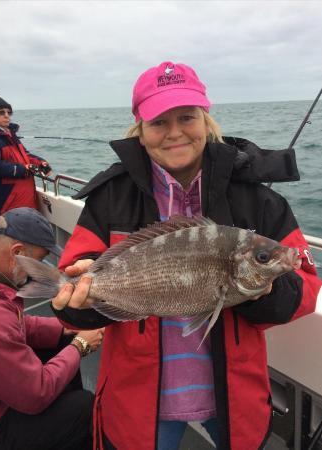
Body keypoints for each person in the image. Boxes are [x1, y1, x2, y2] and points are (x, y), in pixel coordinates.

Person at [51, 61, 322, 450]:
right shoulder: (111, 197)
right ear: (140, 131)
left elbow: (307, 286)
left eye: (186, 117)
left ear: (206, 119)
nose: (175, 132)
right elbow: (72, 294)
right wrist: (78, 302)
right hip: (137, 404)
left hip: (234, 401)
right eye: (159, 121)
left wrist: (265, 290)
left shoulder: (259, 200)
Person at [0, 207, 104, 450]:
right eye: (37, 263)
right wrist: (80, 345)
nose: (39, 273)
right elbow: (35, 395)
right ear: (16, 252)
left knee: (57, 345)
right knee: (84, 407)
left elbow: (17, 325)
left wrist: (63, 330)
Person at [0, 93, 52, 220]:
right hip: (6, 204)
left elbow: (25, 155)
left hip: (25, 200)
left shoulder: (9, 133)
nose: (6, 115)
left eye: (9, 112)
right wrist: (23, 169)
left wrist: (40, 163)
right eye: (1, 112)